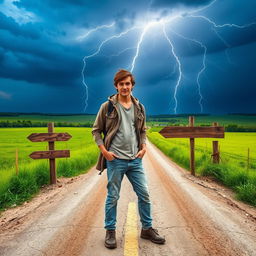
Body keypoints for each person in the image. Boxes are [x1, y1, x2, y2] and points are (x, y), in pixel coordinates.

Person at [92, 69, 166, 249]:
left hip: (135, 160)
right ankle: (110, 231)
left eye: (128, 83)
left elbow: (142, 131)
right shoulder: (107, 107)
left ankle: (147, 229)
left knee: (145, 194)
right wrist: (105, 152)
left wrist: (144, 147)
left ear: (132, 85)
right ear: (116, 86)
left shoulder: (140, 107)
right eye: (121, 84)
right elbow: (96, 131)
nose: (125, 87)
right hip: (115, 159)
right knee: (113, 196)